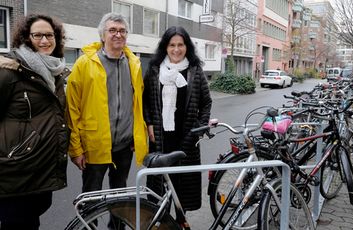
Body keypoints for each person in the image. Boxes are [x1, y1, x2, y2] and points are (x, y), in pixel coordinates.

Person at [65, 12, 148, 225]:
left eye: (122, 31)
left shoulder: (134, 63)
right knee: (91, 197)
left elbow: (137, 104)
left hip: (123, 146)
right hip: (94, 145)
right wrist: (76, 148)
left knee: (120, 196)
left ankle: (117, 228)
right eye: (112, 30)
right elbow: (71, 109)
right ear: (103, 35)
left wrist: (136, 137)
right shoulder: (85, 64)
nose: (117, 35)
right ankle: (86, 228)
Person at [0, 14, 69, 230]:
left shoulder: (54, 72)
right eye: (37, 35)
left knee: (30, 222)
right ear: (25, 38)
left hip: (41, 170)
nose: (44, 40)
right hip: (16, 171)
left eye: (49, 35)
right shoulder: (9, 71)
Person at [143, 26, 212, 219]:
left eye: (180, 45)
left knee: (183, 192)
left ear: (186, 46)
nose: (176, 49)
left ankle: (181, 221)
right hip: (160, 138)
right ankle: (162, 222)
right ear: (165, 47)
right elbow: (145, 101)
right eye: (171, 45)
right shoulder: (155, 71)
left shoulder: (195, 71)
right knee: (160, 189)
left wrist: (198, 129)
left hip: (187, 139)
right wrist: (149, 123)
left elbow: (206, 103)